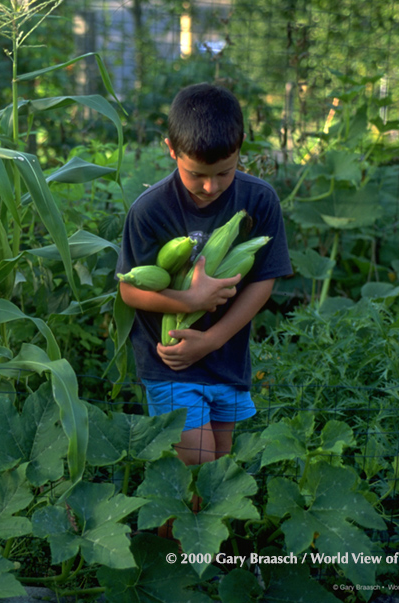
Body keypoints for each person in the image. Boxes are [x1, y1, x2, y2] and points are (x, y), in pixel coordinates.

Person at [117, 82, 292, 468]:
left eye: (224, 173)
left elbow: (264, 280)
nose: (210, 187)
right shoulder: (150, 210)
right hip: (171, 362)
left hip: (227, 359)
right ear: (171, 150)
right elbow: (130, 291)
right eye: (196, 175)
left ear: (241, 145)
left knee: (218, 471)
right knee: (197, 464)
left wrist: (211, 340)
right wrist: (191, 300)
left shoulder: (259, 199)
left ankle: (189, 529)